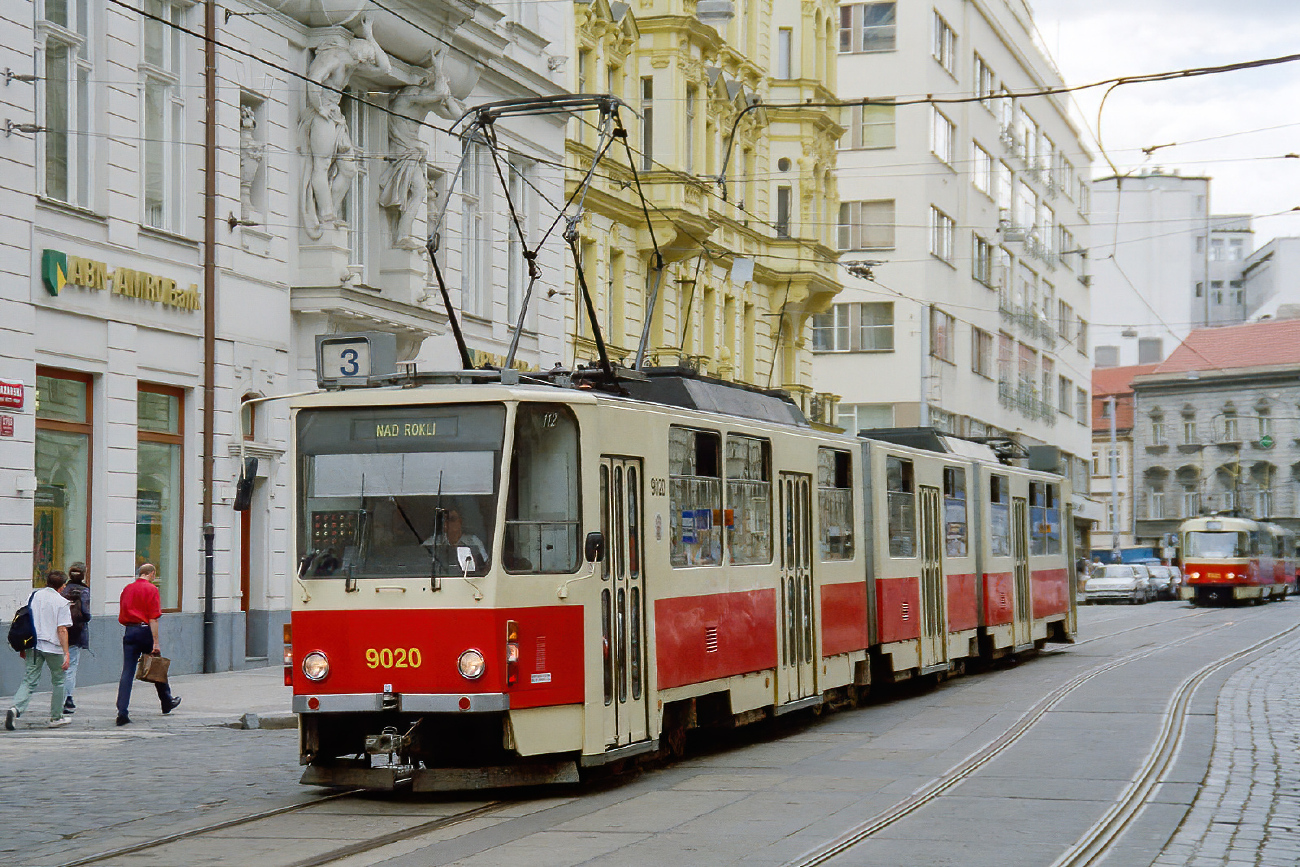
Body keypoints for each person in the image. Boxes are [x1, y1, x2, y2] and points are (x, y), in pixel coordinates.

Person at [298, 16, 391, 240]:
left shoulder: (351, 65)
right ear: (359, 56)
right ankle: (327, 217)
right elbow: (314, 79)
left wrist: (370, 36)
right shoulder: (334, 58)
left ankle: (331, 211)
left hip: (336, 118)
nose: (365, 66)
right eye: (365, 61)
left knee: (349, 170)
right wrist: (319, 108)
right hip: (323, 117)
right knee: (320, 166)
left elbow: (385, 68)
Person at [5, 570, 73, 730]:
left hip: (34, 644)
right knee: (59, 681)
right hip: (53, 646)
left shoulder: (33, 596)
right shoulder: (61, 602)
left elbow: (26, 618)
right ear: (62, 586)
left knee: (29, 679)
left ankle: (16, 708)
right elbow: (62, 629)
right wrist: (66, 652)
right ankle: (56, 717)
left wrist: (23, 646)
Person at [115, 563, 181, 726]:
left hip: (130, 630)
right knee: (156, 665)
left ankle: (122, 711)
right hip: (145, 631)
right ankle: (166, 702)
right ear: (151, 574)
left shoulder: (127, 589)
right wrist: (156, 642)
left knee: (127, 672)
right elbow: (153, 617)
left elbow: (122, 612)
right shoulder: (152, 589)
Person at [60, 561, 91, 714]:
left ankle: (61, 697)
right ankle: (67, 699)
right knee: (71, 667)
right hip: (76, 633)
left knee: (59, 667)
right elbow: (86, 614)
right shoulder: (84, 591)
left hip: (60, 632)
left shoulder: (63, 589)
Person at [422, 508, 489, 575]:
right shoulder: (432, 543)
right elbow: (421, 566)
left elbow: (485, 567)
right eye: (445, 520)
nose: (447, 523)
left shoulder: (473, 541)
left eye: (452, 519)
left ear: (460, 522)